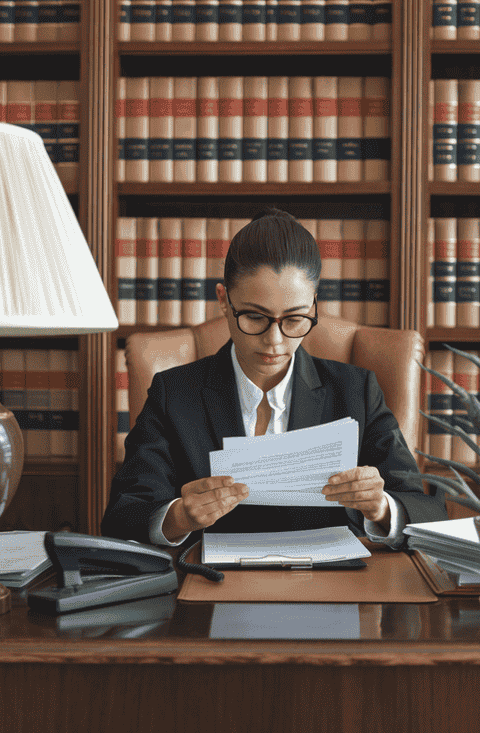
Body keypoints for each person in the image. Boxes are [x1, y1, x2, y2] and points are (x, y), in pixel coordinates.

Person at [101, 209, 447, 548]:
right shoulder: (173, 393)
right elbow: (121, 518)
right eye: (255, 317)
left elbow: (428, 514)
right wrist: (179, 516)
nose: (275, 341)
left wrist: (381, 506)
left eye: (294, 319)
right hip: (211, 587)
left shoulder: (356, 391)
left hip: (331, 589)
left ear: (313, 305)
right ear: (224, 300)